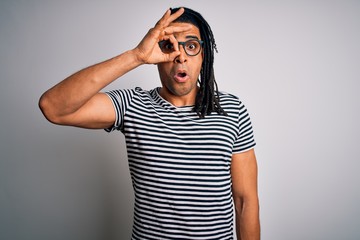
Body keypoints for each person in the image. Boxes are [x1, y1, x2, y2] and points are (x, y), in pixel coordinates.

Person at [39, 7, 260, 240]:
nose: (180, 56)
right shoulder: (133, 104)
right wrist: (136, 56)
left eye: (191, 46)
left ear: (203, 55)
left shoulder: (231, 109)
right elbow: (53, 107)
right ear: (156, 54)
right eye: (169, 46)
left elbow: (245, 201)